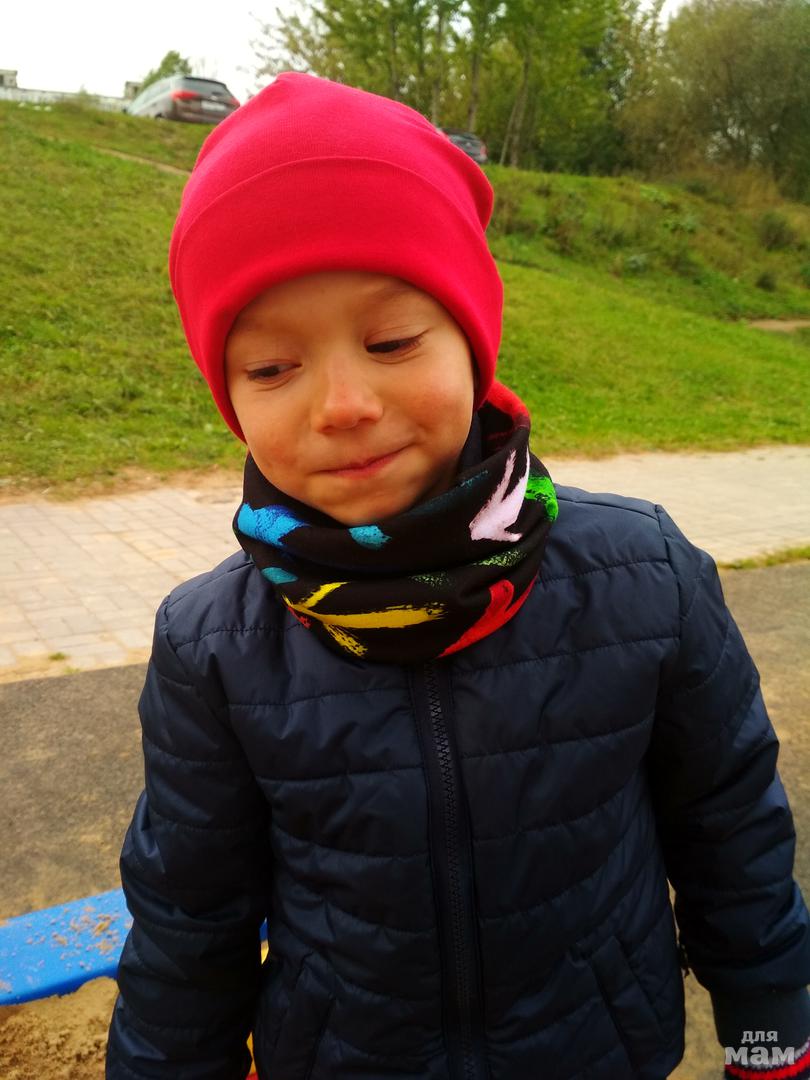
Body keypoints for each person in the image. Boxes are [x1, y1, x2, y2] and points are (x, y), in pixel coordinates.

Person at [105, 72, 810, 1080]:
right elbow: (188, 925)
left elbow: (731, 831)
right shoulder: (211, 645)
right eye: (270, 367)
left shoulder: (647, 576)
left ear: (474, 341)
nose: (343, 403)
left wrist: (771, 1035)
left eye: (391, 340)